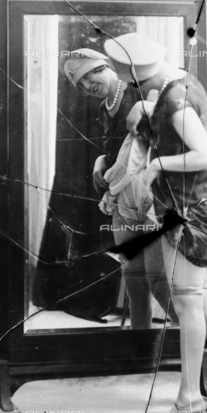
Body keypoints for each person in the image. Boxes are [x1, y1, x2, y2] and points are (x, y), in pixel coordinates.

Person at [104, 33, 207, 413]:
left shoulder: (174, 100)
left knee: (187, 302)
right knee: (199, 298)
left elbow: (205, 154)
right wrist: (143, 110)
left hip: (195, 210)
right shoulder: (174, 86)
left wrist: (156, 167)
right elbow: (160, 123)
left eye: (126, 79)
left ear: (137, 77)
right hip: (192, 203)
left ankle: (189, 401)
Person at [64, 48, 179, 329]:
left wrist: (145, 107)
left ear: (102, 67)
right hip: (122, 196)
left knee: (157, 277)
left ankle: (198, 340)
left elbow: (174, 123)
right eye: (80, 86)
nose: (87, 88)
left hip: (153, 194)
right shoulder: (104, 108)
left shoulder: (140, 89)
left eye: (88, 78)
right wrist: (98, 163)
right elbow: (115, 148)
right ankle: (139, 346)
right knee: (133, 277)